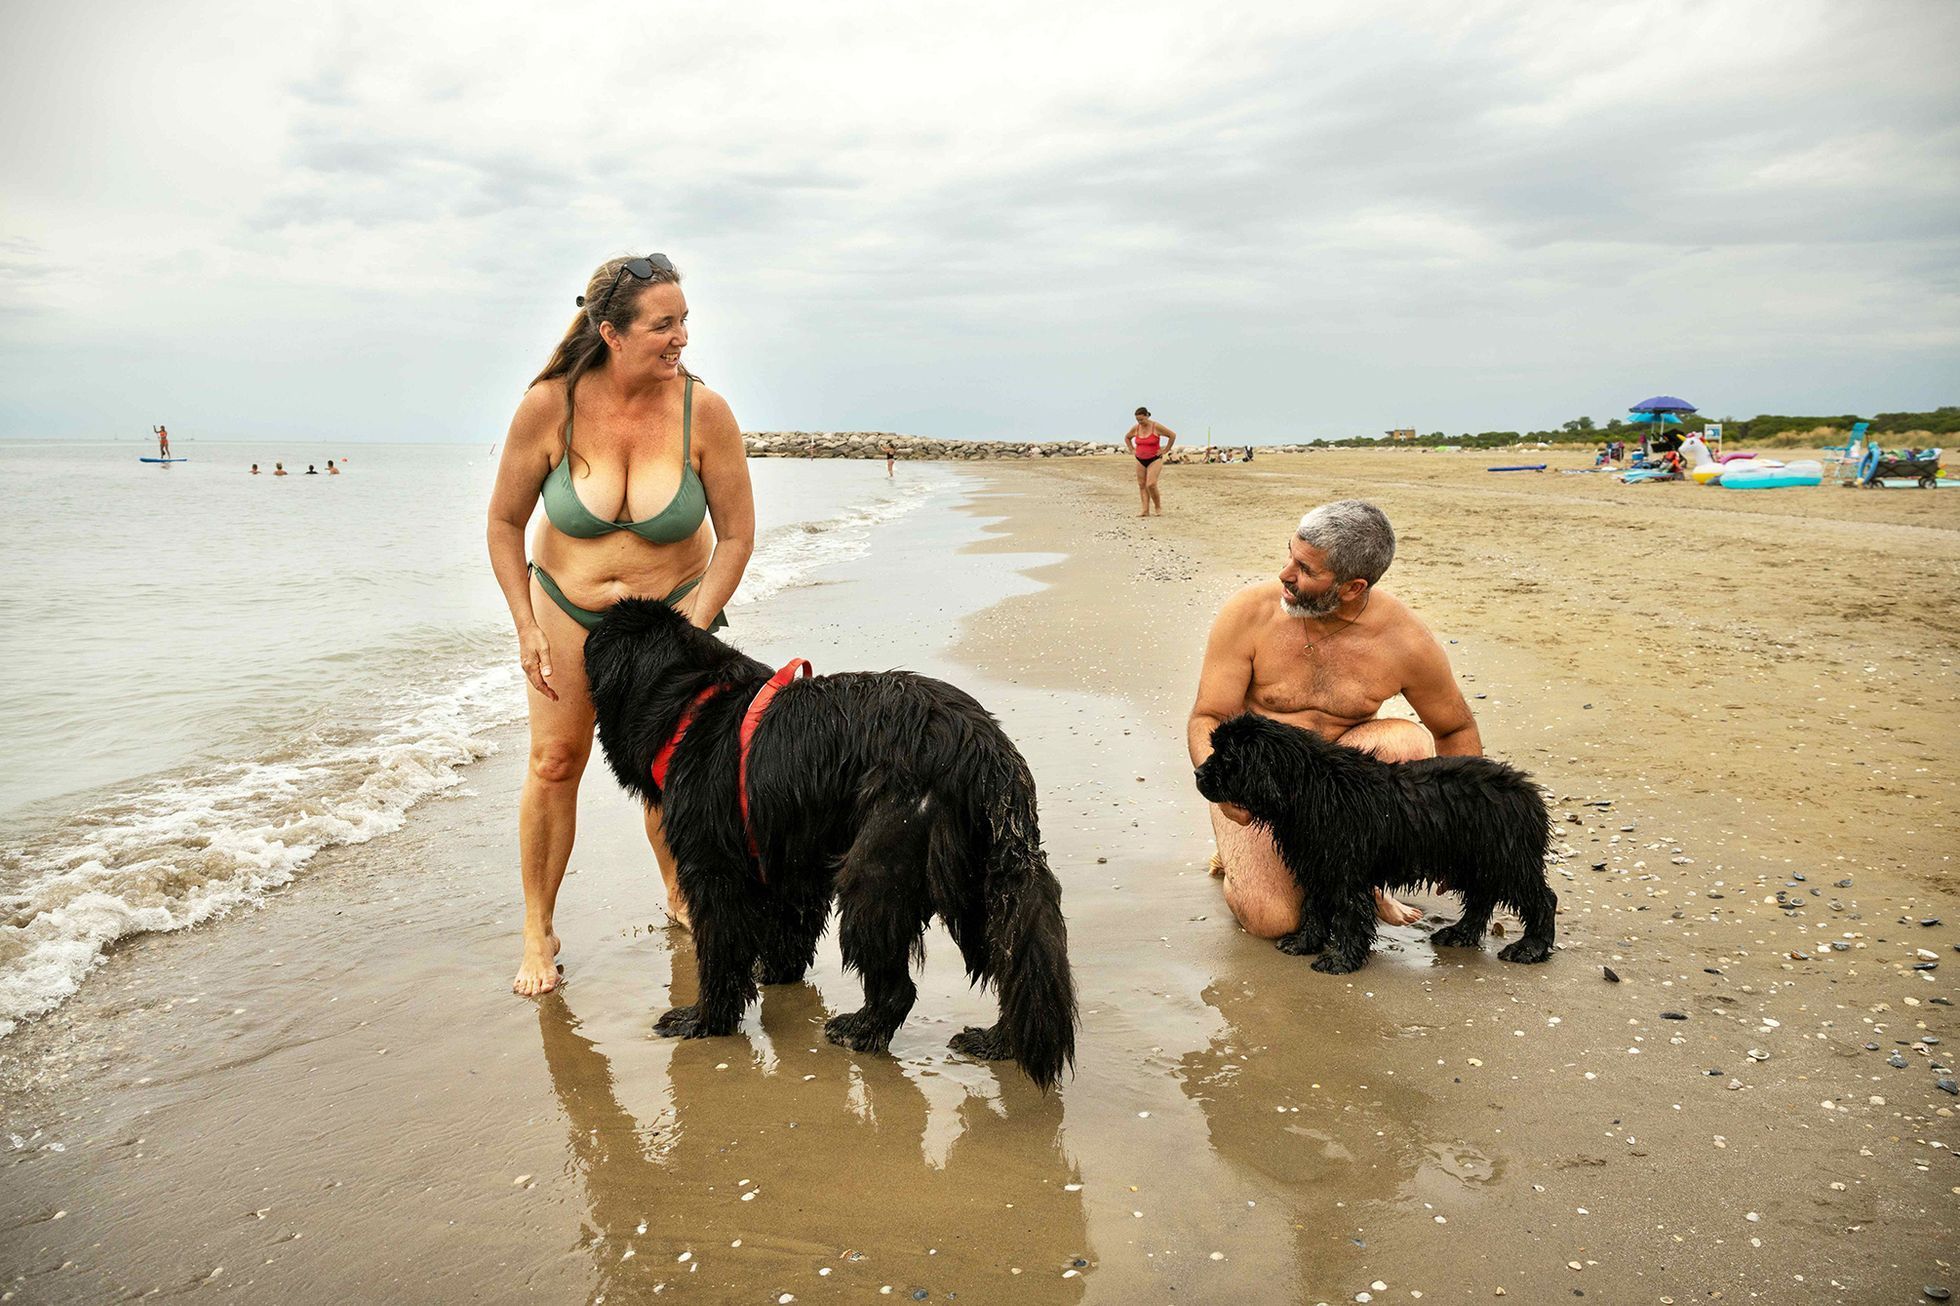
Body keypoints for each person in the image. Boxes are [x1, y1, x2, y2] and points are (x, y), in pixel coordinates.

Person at [487, 253, 755, 998]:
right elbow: (506, 522)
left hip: (672, 612)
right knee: (553, 764)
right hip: (568, 609)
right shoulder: (550, 406)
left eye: (684, 321)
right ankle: (539, 929)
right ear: (611, 331)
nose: (681, 338)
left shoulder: (707, 413)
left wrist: (696, 627)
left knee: (673, 774)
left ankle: (681, 898)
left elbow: (735, 536)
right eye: (663, 325)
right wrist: (525, 625)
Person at [1187, 500, 1483, 938]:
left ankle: (1363, 877)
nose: (1285, 574)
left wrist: (1463, 833)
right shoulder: (1250, 613)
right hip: (1261, 785)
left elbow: (1454, 729)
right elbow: (1209, 714)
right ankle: (1238, 857)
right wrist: (1223, 790)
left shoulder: (1403, 640)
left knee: (1408, 742)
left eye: (1305, 569)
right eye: (1289, 555)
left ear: (1351, 587)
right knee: (1274, 922)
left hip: (1343, 792)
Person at [1124, 407, 1177, 516]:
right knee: (1142, 485)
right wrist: (1132, 449)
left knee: (1151, 484)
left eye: (1142, 420)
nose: (1140, 422)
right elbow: (1127, 437)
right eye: (1138, 420)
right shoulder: (1136, 428)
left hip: (1154, 459)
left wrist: (1165, 450)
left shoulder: (1155, 426)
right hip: (1140, 459)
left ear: (1147, 416)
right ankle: (1145, 510)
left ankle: (1158, 507)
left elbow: (1172, 435)